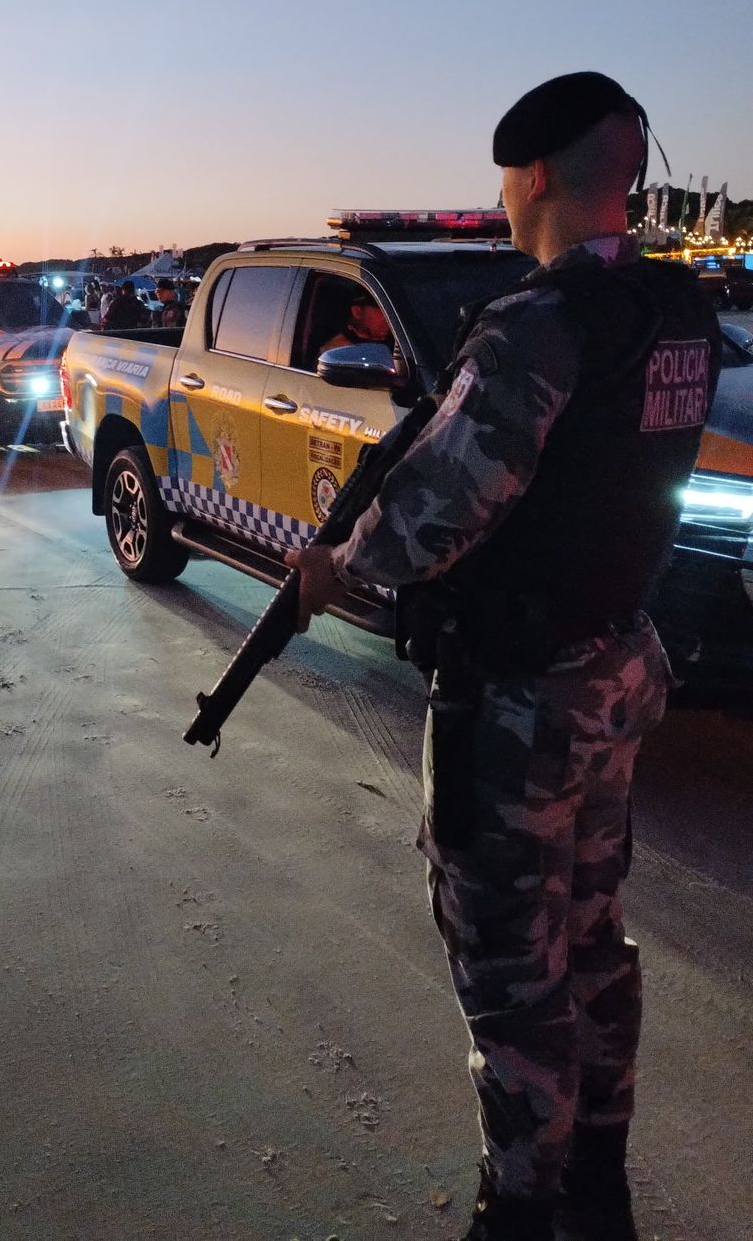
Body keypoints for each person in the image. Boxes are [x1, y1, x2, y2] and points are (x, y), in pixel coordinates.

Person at [286, 72, 720, 1241]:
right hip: (618, 665)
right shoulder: (677, 313)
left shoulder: (540, 324)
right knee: (591, 937)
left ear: (531, 179)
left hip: (525, 698)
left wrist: (338, 568)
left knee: (512, 964)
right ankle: (599, 1185)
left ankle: (520, 1210)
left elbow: (434, 513)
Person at [319, 292, 393, 353]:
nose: (388, 319)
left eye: (391, 313)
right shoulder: (337, 350)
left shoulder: (399, 342)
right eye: (381, 312)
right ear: (357, 312)